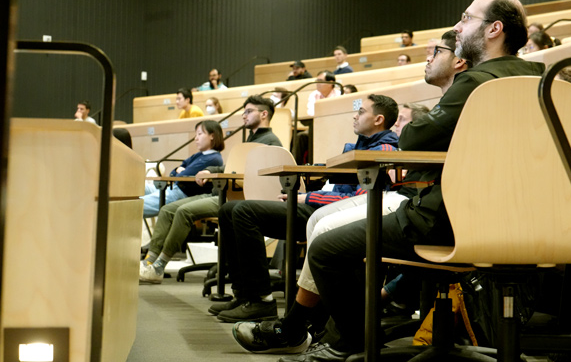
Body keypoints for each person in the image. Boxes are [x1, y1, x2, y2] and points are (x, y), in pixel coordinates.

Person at [275, 0, 546, 362]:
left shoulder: (476, 83)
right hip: (523, 221)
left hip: (448, 220)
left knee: (326, 249)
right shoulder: (544, 81)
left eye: (466, 18)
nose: (457, 26)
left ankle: (348, 345)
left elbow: (413, 138)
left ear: (494, 30)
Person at [231, 30, 469, 355]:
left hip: (434, 214)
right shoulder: (439, 108)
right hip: (419, 206)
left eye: (436, 51)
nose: (355, 116)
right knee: (306, 221)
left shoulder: (444, 111)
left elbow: (398, 161)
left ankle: (329, 335)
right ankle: (309, 327)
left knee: (324, 230)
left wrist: (306, 197)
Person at [210, 94, 400, 326]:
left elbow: (359, 200)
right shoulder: (362, 145)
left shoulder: (382, 150)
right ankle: (244, 295)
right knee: (228, 210)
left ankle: (261, 300)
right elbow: (338, 181)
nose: (355, 115)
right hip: (321, 207)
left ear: (379, 119)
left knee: (244, 212)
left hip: (333, 217)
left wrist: (306, 197)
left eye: (361, 112)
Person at [139, 98, 282, 284]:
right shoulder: (253, 139)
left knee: (184, 211)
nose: (243, 115)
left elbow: (256, 176)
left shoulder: (269, 142)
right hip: (221, 192)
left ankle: (158, 267)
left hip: (237, 197)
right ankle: (150, 261)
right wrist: (211, 171)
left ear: (264, 114)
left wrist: (215, 171)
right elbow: (233, 168)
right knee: (168, 210)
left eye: (248, 111)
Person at [140, 120, 225, 218]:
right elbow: (174, 172)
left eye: (200, 134)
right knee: (138, 186)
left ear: (212, 136)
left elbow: (181, 175)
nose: (196, 138)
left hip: (181, 194)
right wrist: (179, 171)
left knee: (136, 205)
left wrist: (181, 171)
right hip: (173, 188)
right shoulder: (199, 155)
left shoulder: (213, 159)